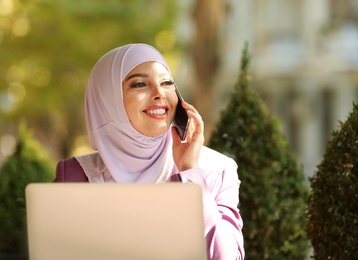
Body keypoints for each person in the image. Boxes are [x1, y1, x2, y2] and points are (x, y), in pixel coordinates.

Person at [54, 43, 244, 259]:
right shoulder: (75, 175)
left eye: (167, 83)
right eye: (140, 84)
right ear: (108, 99)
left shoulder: (216, 170)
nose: (159, 94)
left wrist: (190, 173)